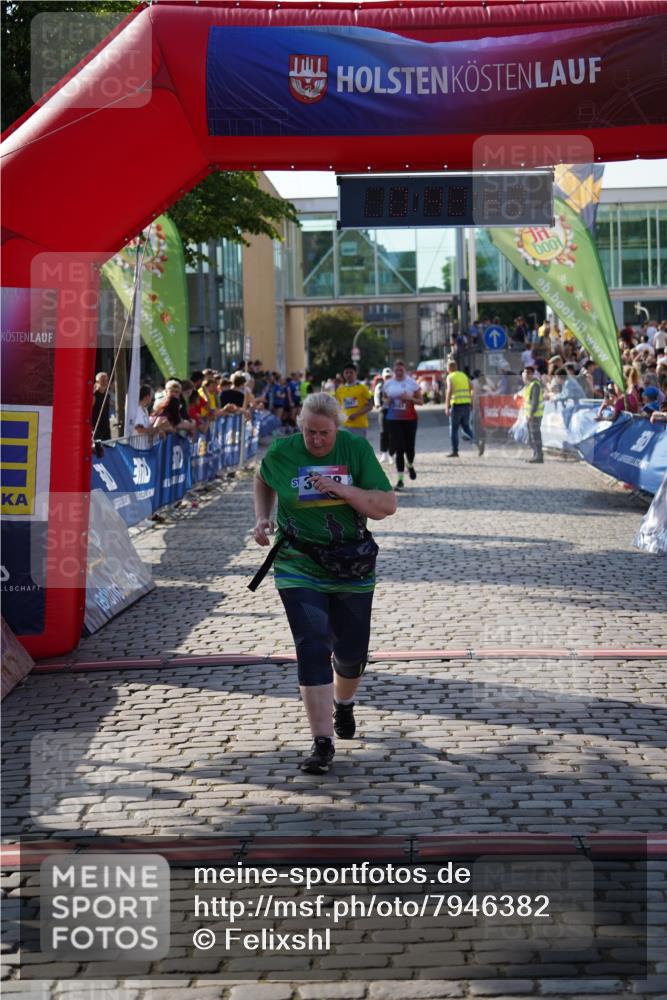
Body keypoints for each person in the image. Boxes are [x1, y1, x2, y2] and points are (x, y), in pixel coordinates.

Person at [252, 392, 396, 774]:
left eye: (324, 434)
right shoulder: (283, 451)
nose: (315, 441)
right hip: (297, 563)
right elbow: (263, 477)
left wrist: (344, 490)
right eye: (309, 432)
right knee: (312, 645)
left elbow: (387, 505)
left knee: (350, 653)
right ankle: (321, 741)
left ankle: (343, 704)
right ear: (300, 426)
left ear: (337, 430)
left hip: (351, 565)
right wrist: (263, 517)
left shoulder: (354, 450)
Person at [382, 360, 423, 489]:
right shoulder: (388, 384)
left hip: (410, 419)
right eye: (397, 370)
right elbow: (383, 398)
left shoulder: (412, 383)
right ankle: (400, 480)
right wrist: (386, 400)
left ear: (405, 371)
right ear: (394, 371)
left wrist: (410, 399)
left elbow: (421, 401)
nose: (399, 373)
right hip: (393, 419)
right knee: (399, 448)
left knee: (410, 449)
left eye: (401, 370)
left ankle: (410, 464)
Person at [444, 358, 474, 458]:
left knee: (453, 429)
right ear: (456, 367)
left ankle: (455, 451)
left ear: (449, 368)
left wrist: (446, 407)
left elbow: (449, 391)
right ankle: (478, 441)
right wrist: (471, 401)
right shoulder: (464, 375)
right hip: (466, 405)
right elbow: (472, 387)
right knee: (466, 427)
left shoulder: (450, 377)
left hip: (456, 406)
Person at [335, 363, 374, 438]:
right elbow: (338, 407)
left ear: (356, 374)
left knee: (358, 448)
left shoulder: (363, 388)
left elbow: (370, 406)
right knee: (345, 448)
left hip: (359, 425)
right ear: (343, 374)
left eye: (351, 372)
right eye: (346, 372)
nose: (349, 375)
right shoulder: (340, 390)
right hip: (344, 425)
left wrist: (356, 414)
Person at [518, 365, 544, 463]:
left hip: (535, 415)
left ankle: (539, 456)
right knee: (532, 436)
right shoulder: (529, 385)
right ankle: (536, 454)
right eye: (525, 372)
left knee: (535, 435)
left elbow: (535, 401)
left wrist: (531, 414)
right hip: (530, 414)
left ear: (532, 374)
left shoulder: (535, 385)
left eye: (528, 373)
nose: (526, 375)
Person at [374, 366, 393, 463]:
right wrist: (378, 405)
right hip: (383, 410)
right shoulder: (380, 386)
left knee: (392, 433)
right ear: (383, 377)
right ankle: (384, 453)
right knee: (383, 432)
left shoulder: (395, 385)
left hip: (394, 411)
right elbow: (376, 396)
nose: (388, 378)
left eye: (389, 376)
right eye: (386, 376)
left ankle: (391, 454)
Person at [92, 372, 112, 442]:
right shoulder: (94, 396)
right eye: (102, 381)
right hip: (97, 429)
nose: (105, 383)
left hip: (106, 428)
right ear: (97, 382)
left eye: (106, 380)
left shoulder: (107, 395)